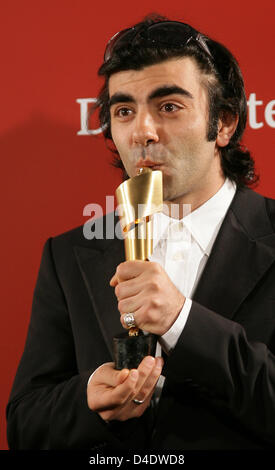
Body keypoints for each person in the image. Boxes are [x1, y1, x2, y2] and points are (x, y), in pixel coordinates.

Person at [6, 13, 275, 450]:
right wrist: (88, 398)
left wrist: (181, 322)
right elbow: (25, 425)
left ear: (223, 123)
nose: (142, 132)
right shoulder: (68, 253)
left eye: (169, 107)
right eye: (125, 111)